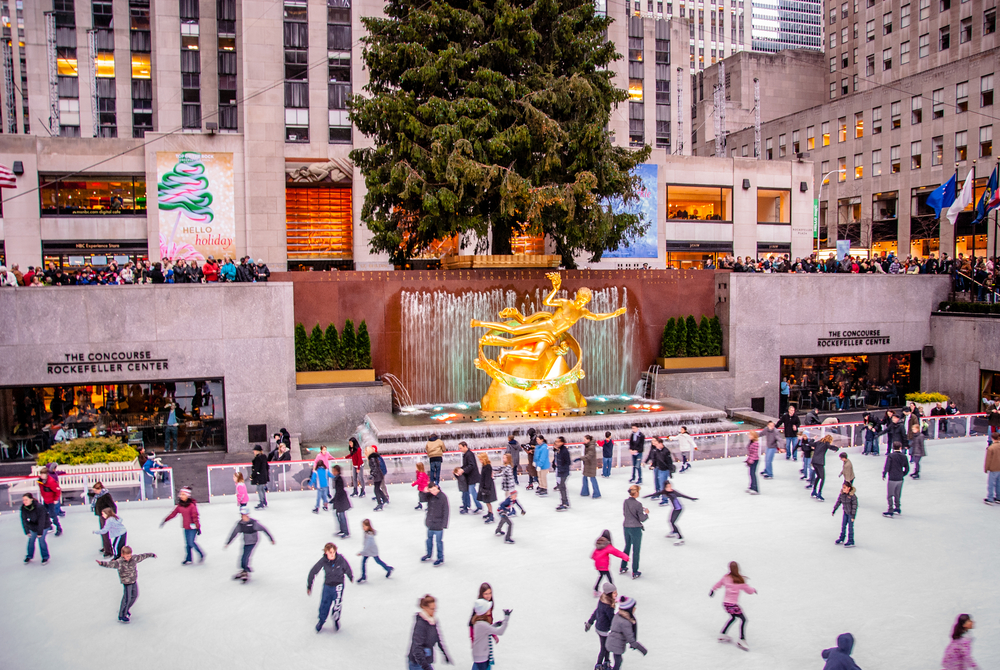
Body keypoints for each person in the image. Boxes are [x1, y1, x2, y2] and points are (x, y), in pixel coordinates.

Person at [96, 546, 156, 623]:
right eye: (127, 556)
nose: (129, 557)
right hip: (126, 582)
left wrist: (151, 555)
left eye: (130, 555)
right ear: (122, 555)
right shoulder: (119, 562)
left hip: (133, 580)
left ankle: (126, 609)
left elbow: (143, 556)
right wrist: (101, 563)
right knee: (126, 599)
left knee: (135, 595)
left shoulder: (134, 559)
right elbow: (111, 564)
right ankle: (122, 615)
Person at [307, 542, 354, 632]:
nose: (332, 554)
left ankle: (336, 619)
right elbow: (313, 572)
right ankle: (321, 620)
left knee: (337, 604)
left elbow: (347, 568)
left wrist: (350, 576)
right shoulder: (323, 561)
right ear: (326, 553)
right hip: (328, 586)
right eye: (330, 553)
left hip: (338, 585)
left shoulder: (341, 559)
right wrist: (309, 586)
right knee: (324, 604)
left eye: (333, 552)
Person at [710, 561, 757, 651]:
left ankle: (723, 634)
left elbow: (719, 584)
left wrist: (713, 590)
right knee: (743, 619)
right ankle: (742, 639)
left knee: (733, 618)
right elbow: (749, 590)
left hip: (725, 604)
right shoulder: (739, 581)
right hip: (732, 605)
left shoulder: (726, 577)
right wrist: (754, 590)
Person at [225, 509, 275, 582]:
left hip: (253, 541)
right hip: (246, 541)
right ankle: (244, 570)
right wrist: (228, 542)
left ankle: (245, 570)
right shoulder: (240, 524)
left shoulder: (253, 523)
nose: (243, 517)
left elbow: (264, 529)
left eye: (244, 515)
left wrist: (271, 539)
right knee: (244, 556)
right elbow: (234, 533)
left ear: (248, 515)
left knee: (245, 556)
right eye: (242, 515)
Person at [644, 481, 697, 546]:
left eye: (670, 486)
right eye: (668, 486)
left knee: (673, 522)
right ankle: (674, 531)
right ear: (665, 487)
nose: (670, 487)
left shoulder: (674, 492)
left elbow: (682, 495)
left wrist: (692, 498)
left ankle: (680, 537)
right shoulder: (664, 491)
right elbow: (656, 494)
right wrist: (647, 496)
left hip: (679, 509)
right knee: (670, 521)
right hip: (675, 508)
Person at [160, 486, 204, 564]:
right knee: (187, 544)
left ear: (188, 495)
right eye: (181, 494)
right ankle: (189, 558)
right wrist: (165, 520)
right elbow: (173, 514)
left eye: (183, 494)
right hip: (186, 527)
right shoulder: (180, 506)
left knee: (191, 543)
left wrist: (198, 527)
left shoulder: (191, 506)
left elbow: (195, 516)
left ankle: (201, 554)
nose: (181, 496)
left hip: (193, 528)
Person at [407, 595, 452, 670]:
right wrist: (425, 666)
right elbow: (417, 648)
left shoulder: (432, 621)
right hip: (417, 664)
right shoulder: (420, 624)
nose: (434, 611)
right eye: (432, 609)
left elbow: (437, 638)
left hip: (425, 661)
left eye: (435, 609)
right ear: (425, 608)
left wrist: (444, 654)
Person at [606, 596, 648, 668]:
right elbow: (630, 639)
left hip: (613, 641)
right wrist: (642, 649)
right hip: (616, 644)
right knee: (618, 662)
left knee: (618, 660)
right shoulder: (625, 622)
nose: (635, 609)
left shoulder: (619, 615)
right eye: (633, 607)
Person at [471, 599, 512, 669]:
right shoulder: (483, 624)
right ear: (484, 611)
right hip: (482, 657)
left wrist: (495, 625)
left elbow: (485, 631)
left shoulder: (478, 623)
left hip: (479, 655)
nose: (489, 610)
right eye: (488, 608)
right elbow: (500, 632)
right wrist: (506, 619)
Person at [586, 582, 618, 670]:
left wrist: (590, 622)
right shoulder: (608, 606)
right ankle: (598, 665)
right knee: (604, 648)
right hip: (604, 629)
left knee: (606, 646)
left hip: (600, 627)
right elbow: (612, 619)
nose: (616, 594)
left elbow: (596, 612)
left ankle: (606, 662)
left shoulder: (602, 600)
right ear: (609, 594)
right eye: (614, 592)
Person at [620, 485, 648, 580]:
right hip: (635, 528)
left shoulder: (626, 502)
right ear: (636, 493)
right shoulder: (638, 504)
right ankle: (635, 571)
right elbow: (642, 518)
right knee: (636, 550)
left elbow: (625, 512)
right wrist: (646, 513)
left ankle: (623, 566)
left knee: (627, 546)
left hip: (626, 526)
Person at [421, 483, 449, 566]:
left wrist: (444, 524)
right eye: (431, 491)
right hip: (430, 522)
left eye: (434, 490)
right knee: (429, 540)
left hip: (439, 523)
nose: (433, 492)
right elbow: (422, 499)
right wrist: (424, 492)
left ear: (437, 487)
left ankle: (440, 558)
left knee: (438, 542)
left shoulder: (443, 497)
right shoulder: (429, 495)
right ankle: (429, 554)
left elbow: (446, 511)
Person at [21, 493, 51, 565]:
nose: (24, 502)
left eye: (26, 500)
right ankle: (29, 556)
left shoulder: (39, 507)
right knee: (31, 540)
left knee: (41, 540)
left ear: (31, 500)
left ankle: (45, 557)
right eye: (23, 500)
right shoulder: (24, 508)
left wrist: (40, 532)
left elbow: (42, 520)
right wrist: (27, 531)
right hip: (33, 525)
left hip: (44, 525)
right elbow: (24, 520)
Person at [882, 442, 910, 517]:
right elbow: (907, 468)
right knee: (897, 494)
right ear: (900, 448)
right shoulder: (904, 456)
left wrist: (884, 473)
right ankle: (897, 507)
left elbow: (887, 466)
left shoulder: (891, 456)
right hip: (900, 479)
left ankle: (890, 509)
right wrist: (902, 474)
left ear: (893, 447)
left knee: (890, 495)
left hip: (892, 478)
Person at [644, 437, 674, 505]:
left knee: (663, 484)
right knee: (658, 482)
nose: (655, 445)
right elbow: (655, 459)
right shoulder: (656, 450)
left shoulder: (666, 451)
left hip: (664, 469)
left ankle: (665, 499)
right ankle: (658, 494)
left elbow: (669, 461)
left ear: (660, 443)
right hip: (659, 468)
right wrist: (653, 465)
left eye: (656, 444)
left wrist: (670, 470)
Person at [92, 482, 118, 558]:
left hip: (105, 516)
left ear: (100, 489)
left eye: (95, 490)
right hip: (102, 515)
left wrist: (112, 516)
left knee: (105, 533)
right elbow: (93, 495)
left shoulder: (106, 496)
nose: (94, 492)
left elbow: (113, 506)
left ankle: (109, 551)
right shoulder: (99, 495)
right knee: (103, 532)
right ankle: (105, 547)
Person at [456, 441, 483, 514]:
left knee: (472, 491)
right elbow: (467, 465)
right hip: (469, 476)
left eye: (461, 448)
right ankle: (467, 505)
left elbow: (471, 465)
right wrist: (460, 469)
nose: (460, 450)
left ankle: (479, 506)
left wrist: (463, 470)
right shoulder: (466, 454)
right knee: (467, 491)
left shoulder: (469, 454)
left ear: (465, 446)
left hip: (472, 476)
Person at [811, 435, 840, 501]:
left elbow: (810, 443)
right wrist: (836, 448)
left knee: (818, 476)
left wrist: (812, 439)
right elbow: (830, 447)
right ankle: (819, 493)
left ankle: (814, 490)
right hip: (819, 462)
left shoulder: (818, 442)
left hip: (814, 461)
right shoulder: (826, 443)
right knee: (822, 478)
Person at [36, 470, 63, 537]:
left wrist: (56, 499)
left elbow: (58, 490)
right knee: (44, 514)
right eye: (41, 474)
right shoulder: (41, 481)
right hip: (45, 500)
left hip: (51, 501)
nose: (42, 476)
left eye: (43, 475)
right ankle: (49, 526)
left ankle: (58, 528)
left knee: (52, 514)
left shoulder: (51, 482)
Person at [831, 483, 858, 547]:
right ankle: (842, 538)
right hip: (845, 513)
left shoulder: (853, 496)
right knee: (843, 526)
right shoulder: (842, 495)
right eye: (843, 487)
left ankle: (851, 540)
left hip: (851, 514)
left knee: (850, 527)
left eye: (845, 488)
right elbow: (838, 502)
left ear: (849, 488)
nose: (843, 489)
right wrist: (834, 509)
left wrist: (853, 516)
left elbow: (854, 506)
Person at [330, 464, 352, 537]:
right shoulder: (336, 478)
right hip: (340, 500)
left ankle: (346, 532)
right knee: (338, 514)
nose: (333, 472)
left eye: (334, 471)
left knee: (342, 515)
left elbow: (339, 491)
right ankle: (342, 530)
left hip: (341, 500)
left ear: (337, 471)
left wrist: (333, 500)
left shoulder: (339, 479)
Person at [578, 434, 601, 499]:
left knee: (592, 478)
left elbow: (589, 455)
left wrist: (580, 458)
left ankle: (596, 493)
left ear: (588, 440)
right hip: (588, 464)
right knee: (585, 477)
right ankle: (585, 491)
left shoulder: (591, 446)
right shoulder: (588, 445)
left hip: (591, 464)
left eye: (585, 440)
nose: (584, 441)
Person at [477, 452, 498, 522]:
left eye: (480, 459)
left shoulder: (487, 466)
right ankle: (489, 512)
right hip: (485, 485)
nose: (480, 460)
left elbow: (487, 478)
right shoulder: (484, 465)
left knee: (488, 500)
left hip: (487, 486)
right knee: (486, 501)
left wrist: (485, 488)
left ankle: (491, 514)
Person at [553, 436, 572, 511]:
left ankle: (564, 503)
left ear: (562, 442)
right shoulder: (559, 450)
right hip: (560, 470)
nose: (556, 443)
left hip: (563, 471)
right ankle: (565, 502)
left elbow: (568, 462)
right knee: (562, 487)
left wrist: (562, 469)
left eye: (558, 442)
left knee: (562, 487)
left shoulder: (564, 451)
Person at [368, 446, 388, 511]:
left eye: (366, 451)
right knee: (377, 489)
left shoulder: (372, 458)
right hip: (378, 475)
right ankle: (384, 499)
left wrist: (372, 474)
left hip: (378, 475)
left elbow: (376, 468)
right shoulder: (373, 457)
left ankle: (380, 503)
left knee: (377, 489)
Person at [250, 445, 270, 509]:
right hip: (264, 476)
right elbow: (267, 467)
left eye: (254, 450)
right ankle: (264, 501)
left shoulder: (258, 458)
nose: (254, 452)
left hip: (259, 476)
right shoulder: (264, 457)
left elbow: (256, 469)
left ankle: (262, 502)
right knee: (262, 488)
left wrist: (252, 476)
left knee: (259, 489)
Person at [908, 414, 926, 479]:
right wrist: (908, 446)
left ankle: (917, 473)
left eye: (914, 429)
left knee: (917, 462)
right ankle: (915, 472)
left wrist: (922, 453)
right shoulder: (915, 436)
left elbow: (922, 445)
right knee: (916, 462)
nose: (913, 431)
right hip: (915, 451)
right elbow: (913, 443)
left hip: (918, 452)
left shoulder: (920, 436)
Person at [985, 436, 1000, 504]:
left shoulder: (991, 448)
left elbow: (988, 459)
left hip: (994, 468)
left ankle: (990, 498)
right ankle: (998, 498)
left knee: (991, 483)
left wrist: (986, 468)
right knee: (998, 483)